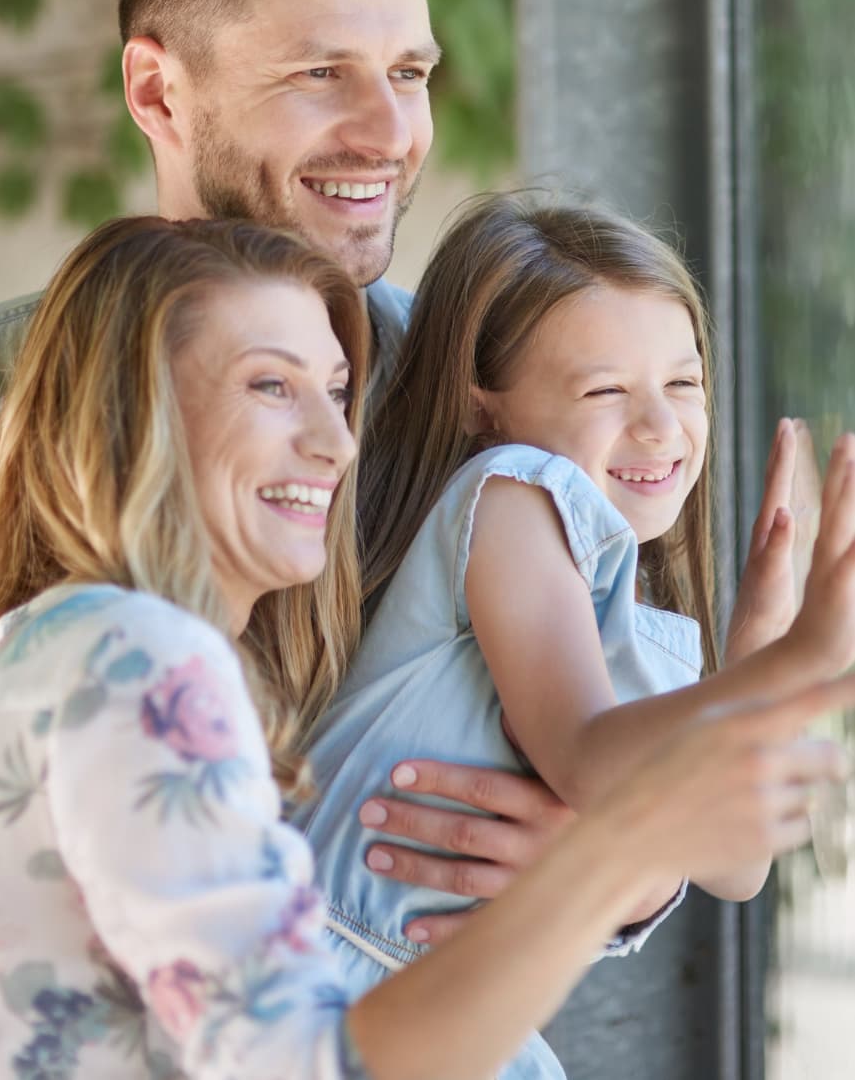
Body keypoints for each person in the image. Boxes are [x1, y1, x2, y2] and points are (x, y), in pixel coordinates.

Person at [0, 0, 813, 1074]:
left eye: (408, 73)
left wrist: (611, 878)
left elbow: (603, 745)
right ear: (157, 92)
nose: (386, 131)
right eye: (321, 74)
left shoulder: (475, 399)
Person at [0, 214, 855, 1080]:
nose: (337, 445)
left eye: (336, 392)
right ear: (133, 417)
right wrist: (774, 687)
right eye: (271, 386)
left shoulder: (59, 658)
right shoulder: (138, 662)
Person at [297, 194, 855, 1079]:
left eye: (683, 382)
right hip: (331, 998)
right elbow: (587, 759)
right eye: (606, 390)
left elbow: (733, 866)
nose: (660, 425)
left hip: (454, 1014)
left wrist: (754, 652)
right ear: (482, 408)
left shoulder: (619, 605)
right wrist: (795, 668)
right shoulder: (511, 494)